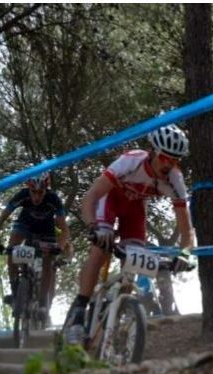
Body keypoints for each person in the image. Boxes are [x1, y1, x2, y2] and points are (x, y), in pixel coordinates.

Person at [64, 124, 195, 344]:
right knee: (99, 250)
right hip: (110, 199)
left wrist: (185, 253)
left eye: (174, 160)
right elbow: (92, 195)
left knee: (133, 263)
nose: (168, 164)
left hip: (134, 209)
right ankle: (79, 310)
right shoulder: (130, 161)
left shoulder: (175, 180)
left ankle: (117, 306)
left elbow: (186, 230)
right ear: (152, 152)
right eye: (165, 157)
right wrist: (93, 226)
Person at [0, 172, 70, 320]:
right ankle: (15, 293)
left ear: (46, 190)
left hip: (46, 229)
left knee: (48, 260)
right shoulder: (22, 195)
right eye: (33, 192)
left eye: (41, 192)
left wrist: (59, 247)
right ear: (28, 189)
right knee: (11, 251)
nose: (37, 197)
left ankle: (42, 303)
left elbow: (65, 230)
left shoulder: (53, 199)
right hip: (25, 225)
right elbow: (1, 220)